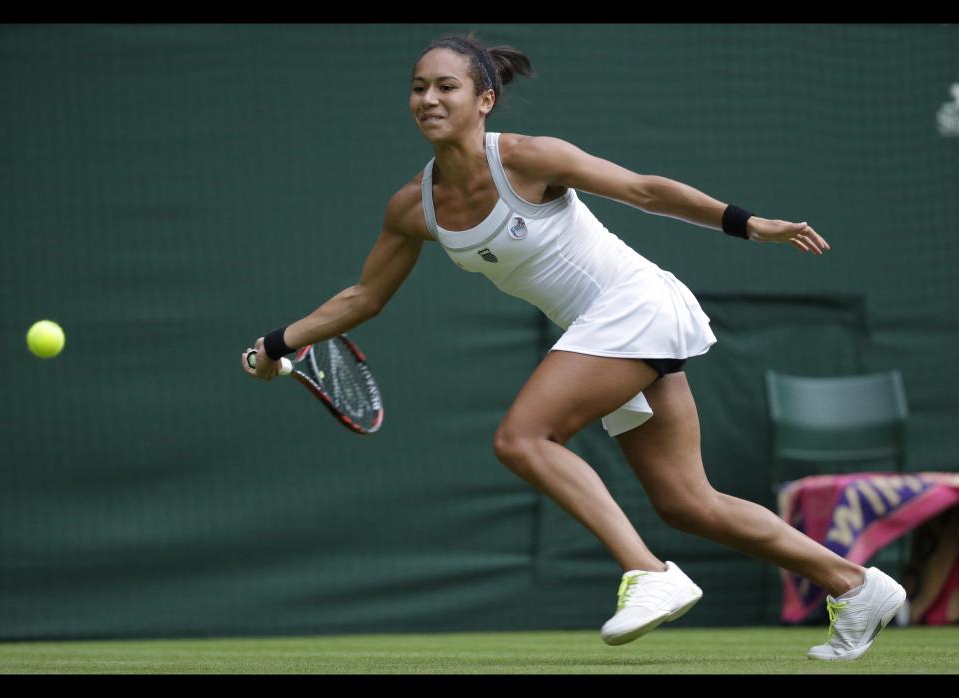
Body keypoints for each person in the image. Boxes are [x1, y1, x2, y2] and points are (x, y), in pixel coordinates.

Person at [242, 33, 906, 661]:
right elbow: (364, 298)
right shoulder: (411, 208)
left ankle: (647, 572)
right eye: (419, 88)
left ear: (484, 100)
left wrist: (748, 223)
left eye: (446, 86)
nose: (429, 100)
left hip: (633, 304)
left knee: (522, 439)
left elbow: (644, 190)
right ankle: (854, 584)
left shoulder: (529, 157)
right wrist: (277, 344)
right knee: (687, 502)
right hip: (605, 328)